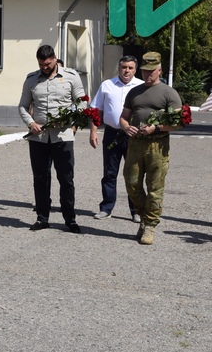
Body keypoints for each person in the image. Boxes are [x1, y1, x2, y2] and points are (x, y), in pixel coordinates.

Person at [18, 44, 85, 233]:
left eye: (47, 64)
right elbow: (23, 106)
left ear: (55, 58)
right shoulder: (31, 79)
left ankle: (70, 219)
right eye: (41, 64)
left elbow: (82, 104)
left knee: (66, 179)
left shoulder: (71, 76)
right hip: (38, 138)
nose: (45, 68)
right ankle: (42, 218)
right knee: (40, 178)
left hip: (63, 136)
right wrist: (31, 123)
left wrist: (70, 121)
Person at [119, 51, 184, 245]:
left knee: (155, 186)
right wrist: (125, 126)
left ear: (159, 70)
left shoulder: (168, 93)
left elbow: (179, 122)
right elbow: (124, 117)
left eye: (151, 71)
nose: (147, 75)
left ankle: (150, 226)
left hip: (158, 144)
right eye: (145, 71)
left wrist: (156, 127)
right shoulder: (134, 92)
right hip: (136, 143)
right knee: (131, 183)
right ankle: (143, 216)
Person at [89, 55, 144, 221]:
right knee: (109, 173)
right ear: (119, 68)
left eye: (130, 68)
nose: (126, 71)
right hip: (112, 133)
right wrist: (93, 131)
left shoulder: (141, 87)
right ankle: (106, 207)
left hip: (133, 135)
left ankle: (136, 210)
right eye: (123, 67)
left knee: (133, 173)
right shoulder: (107, 85)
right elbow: (95, 110)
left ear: (135, 69)